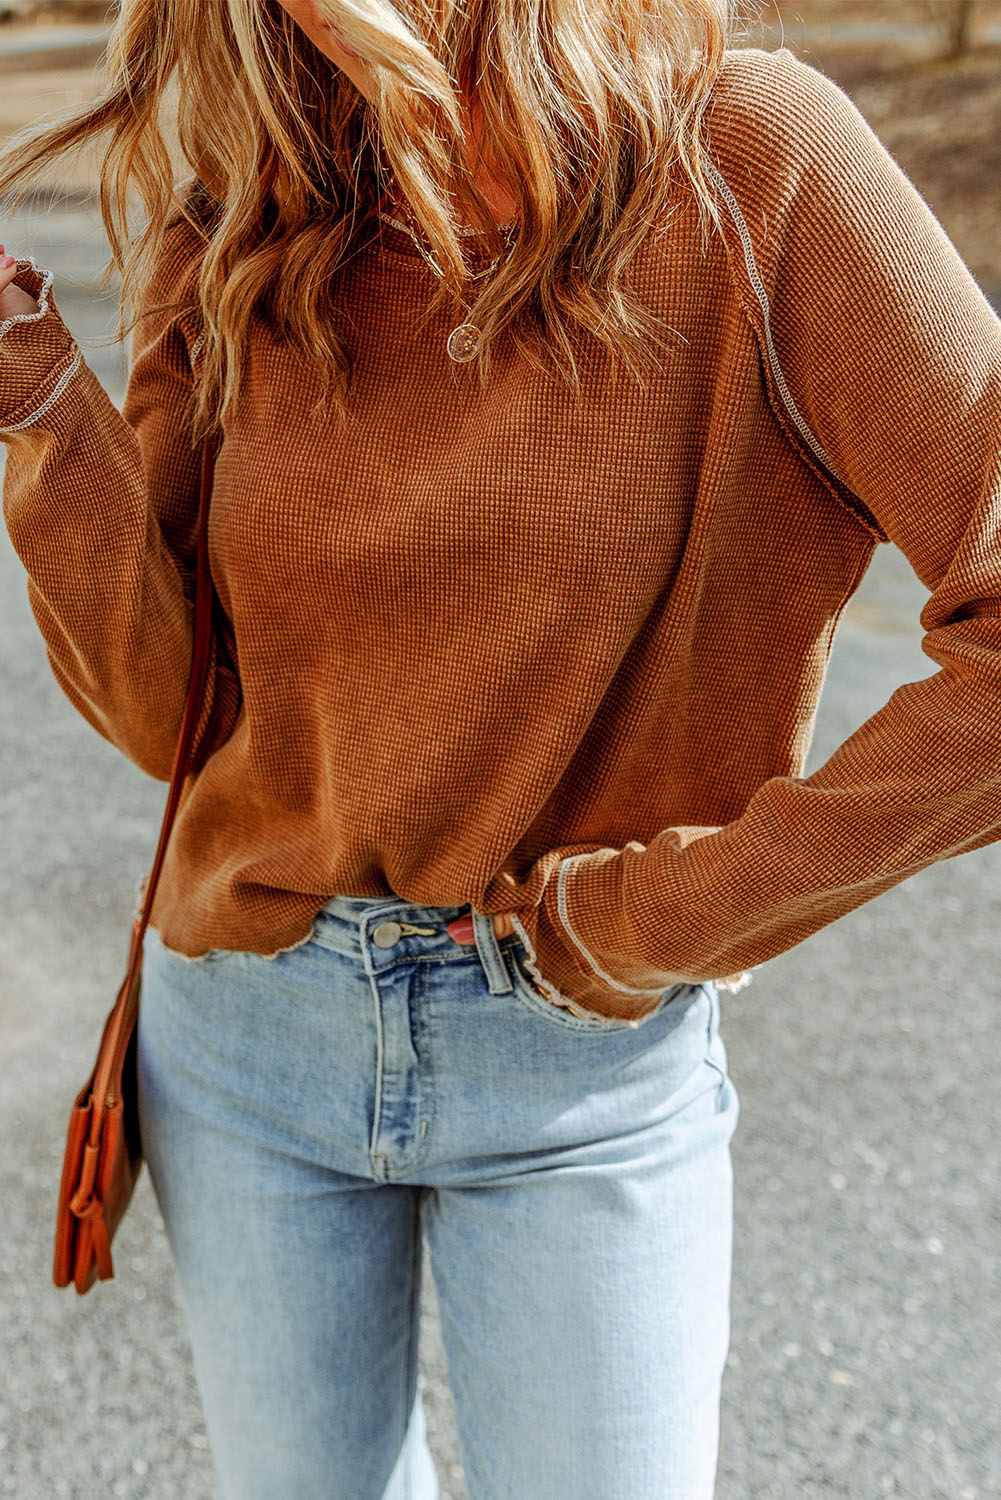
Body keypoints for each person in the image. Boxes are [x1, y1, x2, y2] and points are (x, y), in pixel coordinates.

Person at [2, 0, 1000, 1495]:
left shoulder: (748, 157)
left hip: (579, 1063)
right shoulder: (246, 206)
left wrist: (655, 921)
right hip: (243, 1042)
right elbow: (165, 714)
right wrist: (32, 389)